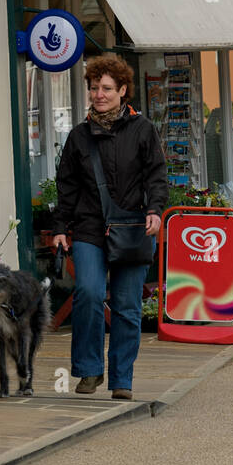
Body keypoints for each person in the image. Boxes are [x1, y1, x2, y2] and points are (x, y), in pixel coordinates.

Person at [52, 53, 167, 400]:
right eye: (93, 88)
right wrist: (60, 226)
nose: (98, 94)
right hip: (89, 228)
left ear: (123, 90)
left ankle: (122, 378)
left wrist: (155, 210)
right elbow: (66, 186)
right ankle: (88, 370)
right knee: (87, 292)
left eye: (106, 88)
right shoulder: (79, 137)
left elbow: (156, 176)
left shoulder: (143, 130)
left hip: (132, 227)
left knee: (127, 305)